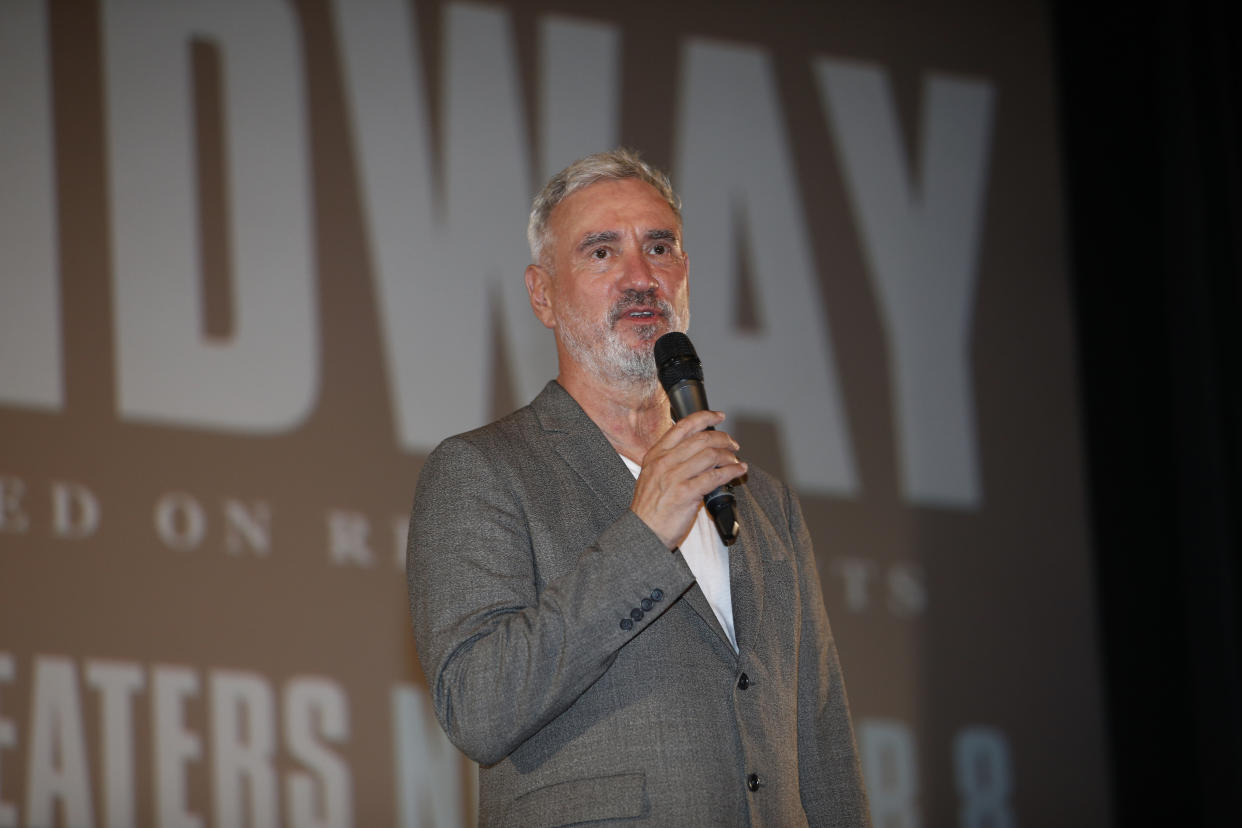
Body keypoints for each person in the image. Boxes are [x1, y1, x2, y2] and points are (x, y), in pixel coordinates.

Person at [407, 149, 870, 827]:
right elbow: (478, 706)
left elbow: (823, 745)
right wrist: (644, 536)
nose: (640, 277)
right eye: (601, 252)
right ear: (543, 295)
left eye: (660, 247)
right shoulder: (483, 472)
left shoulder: (765, 503)